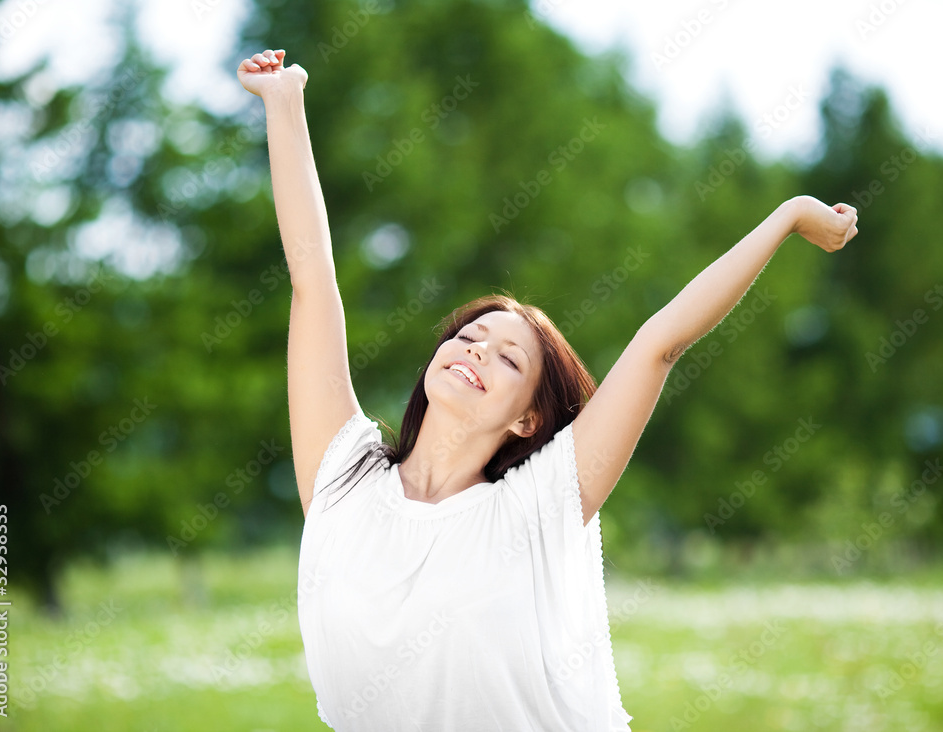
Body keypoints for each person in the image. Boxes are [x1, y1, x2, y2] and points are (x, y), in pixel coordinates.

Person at [236, 48, 858, 731]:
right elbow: (312, 279)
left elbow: (660, 344)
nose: (475, 351)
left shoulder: (538, 508)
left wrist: (789, 217)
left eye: (507, 358)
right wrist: (285, 103)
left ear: (531, 418)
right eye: (469, 337)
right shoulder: (345, 478)